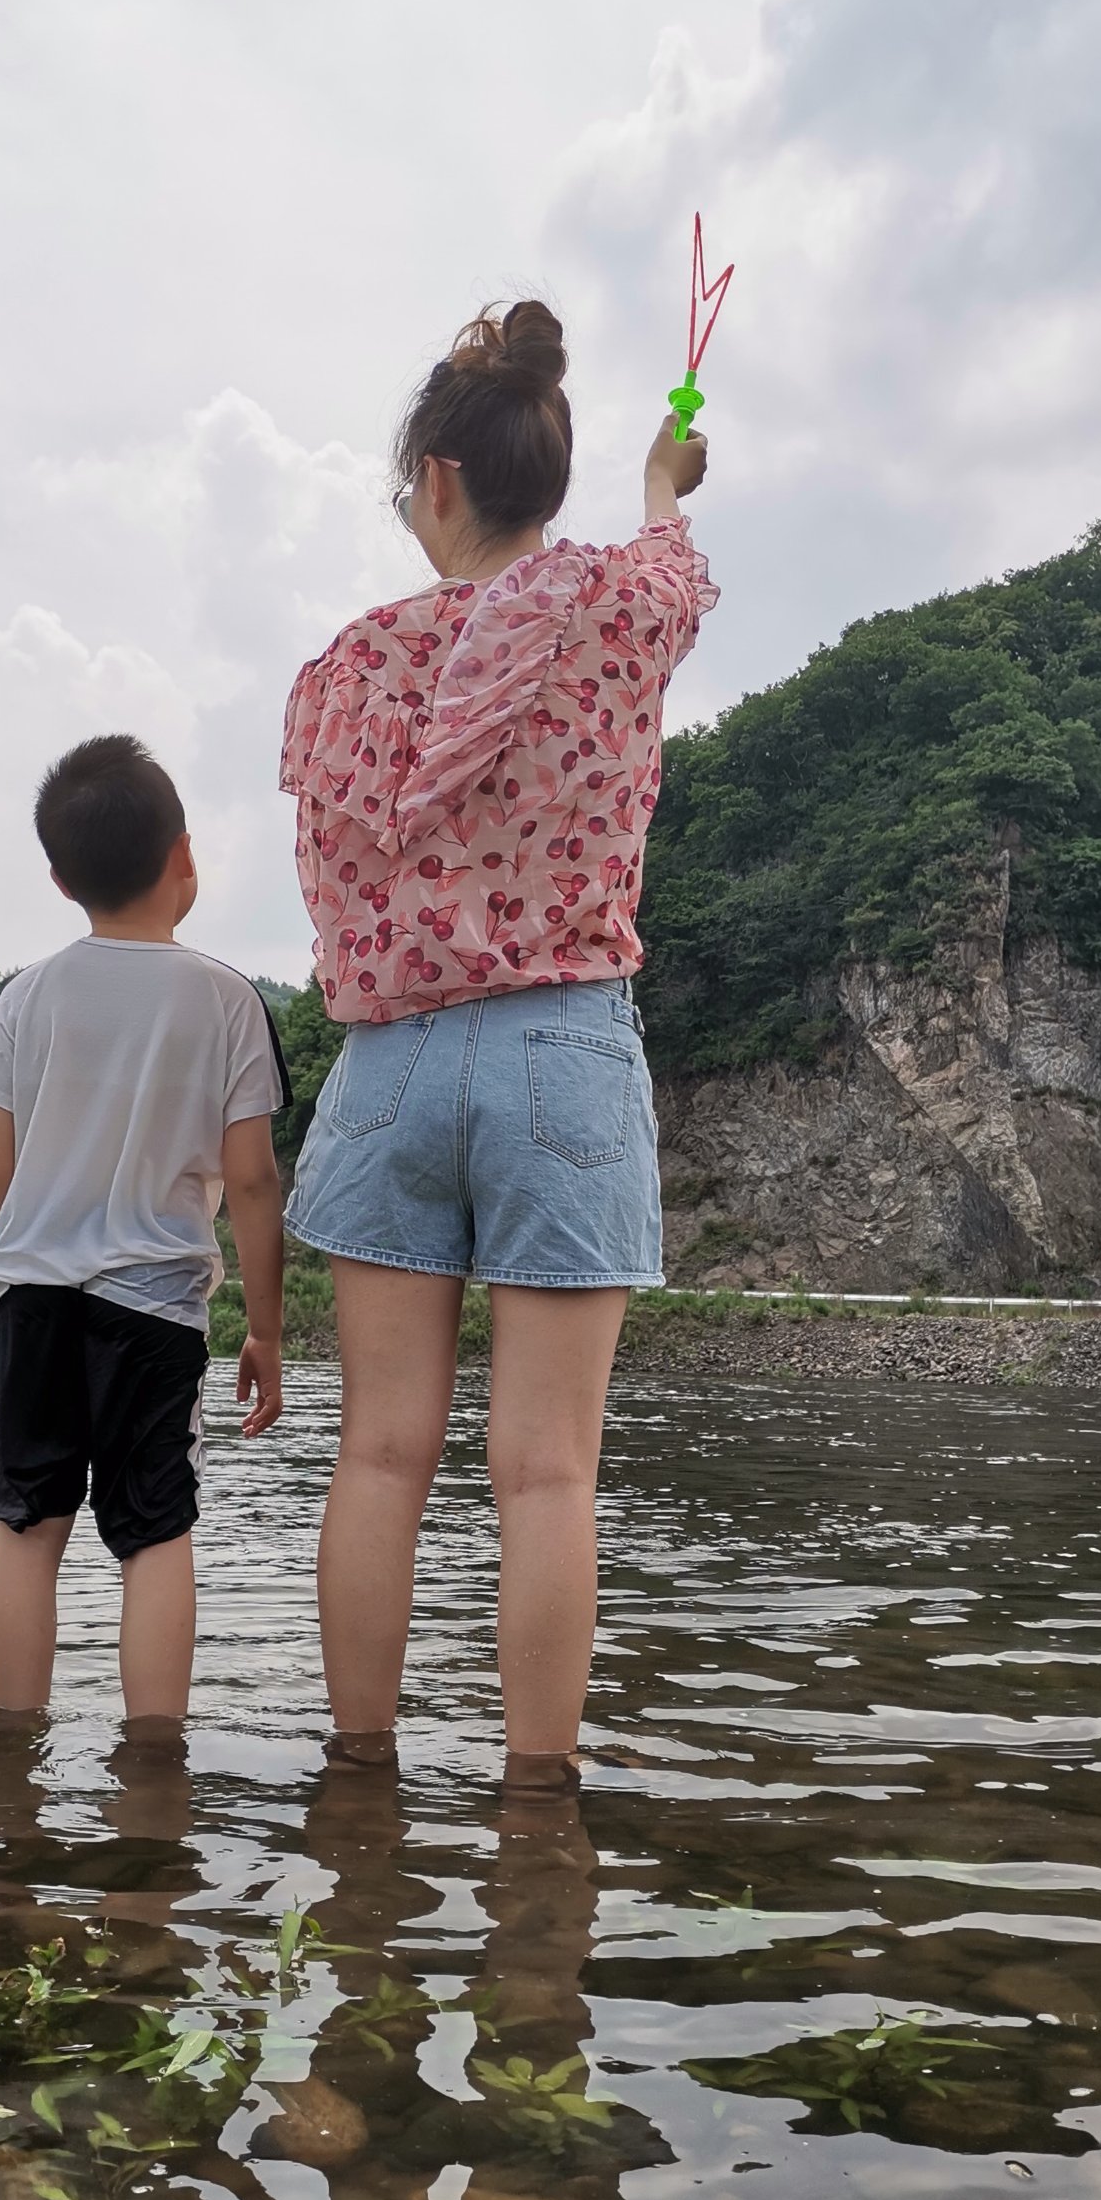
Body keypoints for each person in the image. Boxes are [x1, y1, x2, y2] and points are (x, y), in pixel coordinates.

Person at [280, 299, 716, 1792]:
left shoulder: (348, 669)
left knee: (379, 1453)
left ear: (440, 480)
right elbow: (672, 566)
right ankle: (539, 1826)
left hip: (391, 1066)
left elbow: (328, 871)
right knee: (545, 1471)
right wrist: (661, 481)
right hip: (562, 1054)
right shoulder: (614, 613)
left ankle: (357, 1796)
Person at [0, 733, 288, 1739]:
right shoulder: (227, 1001)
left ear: (59, 879)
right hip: (155, 1308)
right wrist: (266, 1331)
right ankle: (155, 1768)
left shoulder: (26, 995)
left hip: (30, 1300)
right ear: (185, 855)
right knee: (154, 1534)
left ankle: (11, 1753)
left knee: (27, 1525)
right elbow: (252, 1182)